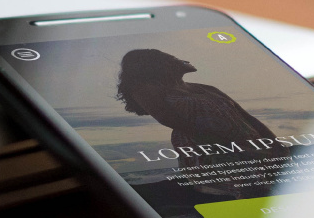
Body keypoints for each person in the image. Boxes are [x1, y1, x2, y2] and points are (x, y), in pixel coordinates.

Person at [116, 48, 275, 150]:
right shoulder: (146, 90)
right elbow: (169, 119)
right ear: (156, 65)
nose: (184, 60)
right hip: (211, 146)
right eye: (174, 58)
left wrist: (272, 141)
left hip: (251, 143)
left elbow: (245, 116)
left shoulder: (206, 88)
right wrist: (222, 144)